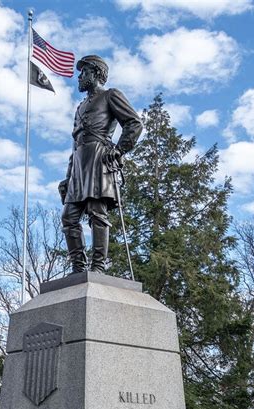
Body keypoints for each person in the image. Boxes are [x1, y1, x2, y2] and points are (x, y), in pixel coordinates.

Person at [58, 55, 143, 273]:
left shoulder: (110, 95)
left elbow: (134, 123)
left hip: (99, 157)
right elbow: (75, 144)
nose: (79, 76)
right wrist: (68, 177)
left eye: (84, 71)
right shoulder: (80, 106)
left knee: (97, 212)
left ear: (96, 73)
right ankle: (78, 266)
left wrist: (120, 149)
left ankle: (98, 266)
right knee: (69, 217)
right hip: (79, 162)